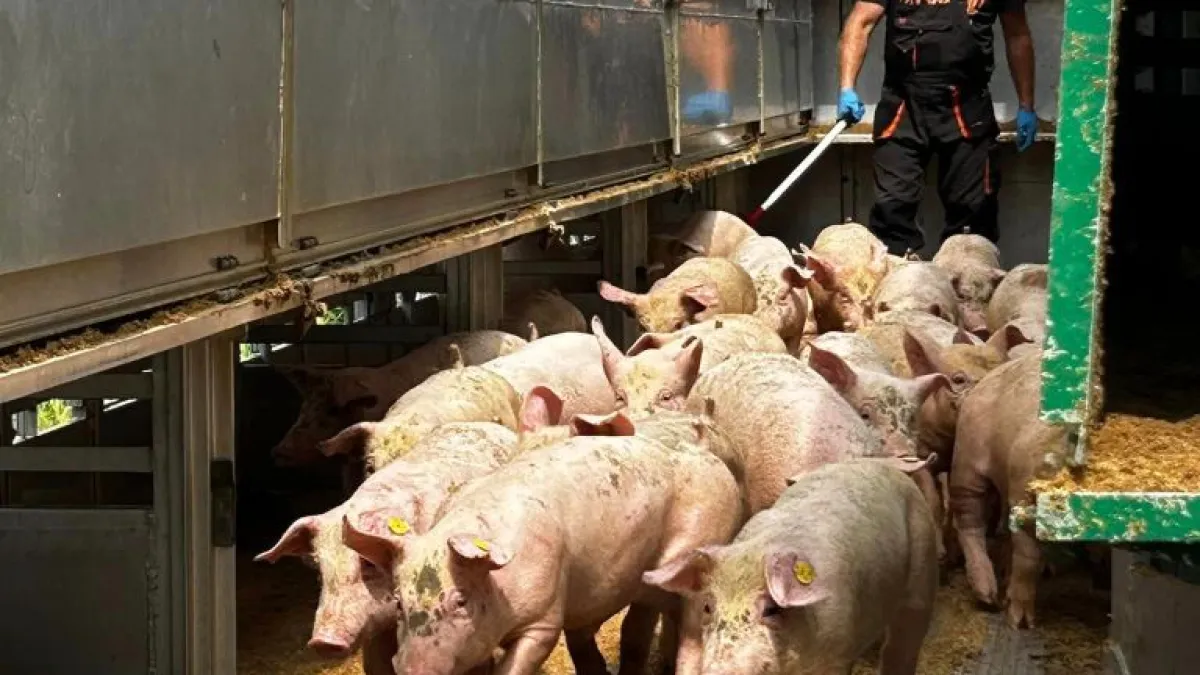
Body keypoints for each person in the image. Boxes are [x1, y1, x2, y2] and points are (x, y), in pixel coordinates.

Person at [837, 0, 1037, 256]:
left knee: (972, 222)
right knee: (892, 211)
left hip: (967, 111)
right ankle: (897, 272)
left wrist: (1026, 104)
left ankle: (967, 276)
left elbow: (1017, 35)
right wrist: (847, 87)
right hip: (903, 109)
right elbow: (860, 22)